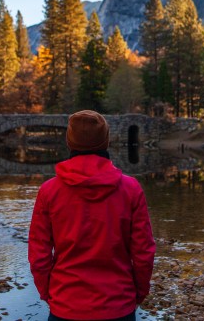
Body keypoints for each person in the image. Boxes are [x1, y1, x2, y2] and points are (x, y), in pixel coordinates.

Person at [29, 110, 156, 321]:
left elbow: (39, 253)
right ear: (105, 141)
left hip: (66, 305)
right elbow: (143, 252)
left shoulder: (49, 191)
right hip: (118, 306)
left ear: (70, 142)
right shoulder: (131, 189)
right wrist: (139, 292)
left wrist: (47, 293)